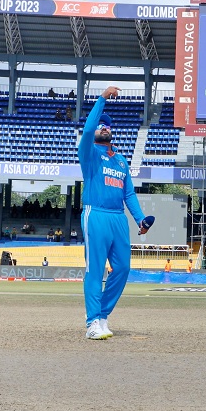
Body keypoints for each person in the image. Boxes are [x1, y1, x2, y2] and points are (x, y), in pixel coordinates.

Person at [78, 85, 151, 340]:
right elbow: (88, 130)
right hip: (95, 214)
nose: (105, 128)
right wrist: (101, 100)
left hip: (118, 218)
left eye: (108, 125)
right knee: (95, 270)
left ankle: (102, 316)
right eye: (102, 125)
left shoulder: (120, 160)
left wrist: (140, 219)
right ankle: (91, 323)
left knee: (122, 269)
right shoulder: (88, 154)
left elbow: (128, 193)